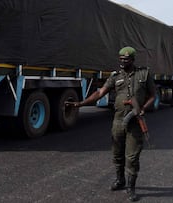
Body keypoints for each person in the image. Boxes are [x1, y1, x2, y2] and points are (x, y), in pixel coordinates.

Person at [66, 46, 156, 201]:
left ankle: (130, 187)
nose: (122, 62)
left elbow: (152, 95)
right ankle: (120, 180)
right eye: (120, 59)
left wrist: (143, 108)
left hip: (135, 122)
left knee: (132, 157)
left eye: (126, 59)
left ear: (133, 60)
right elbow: (100, 93)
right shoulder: (115, 76)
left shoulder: (144, 74)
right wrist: (81, 104)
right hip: (119, 121)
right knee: (117, 153)